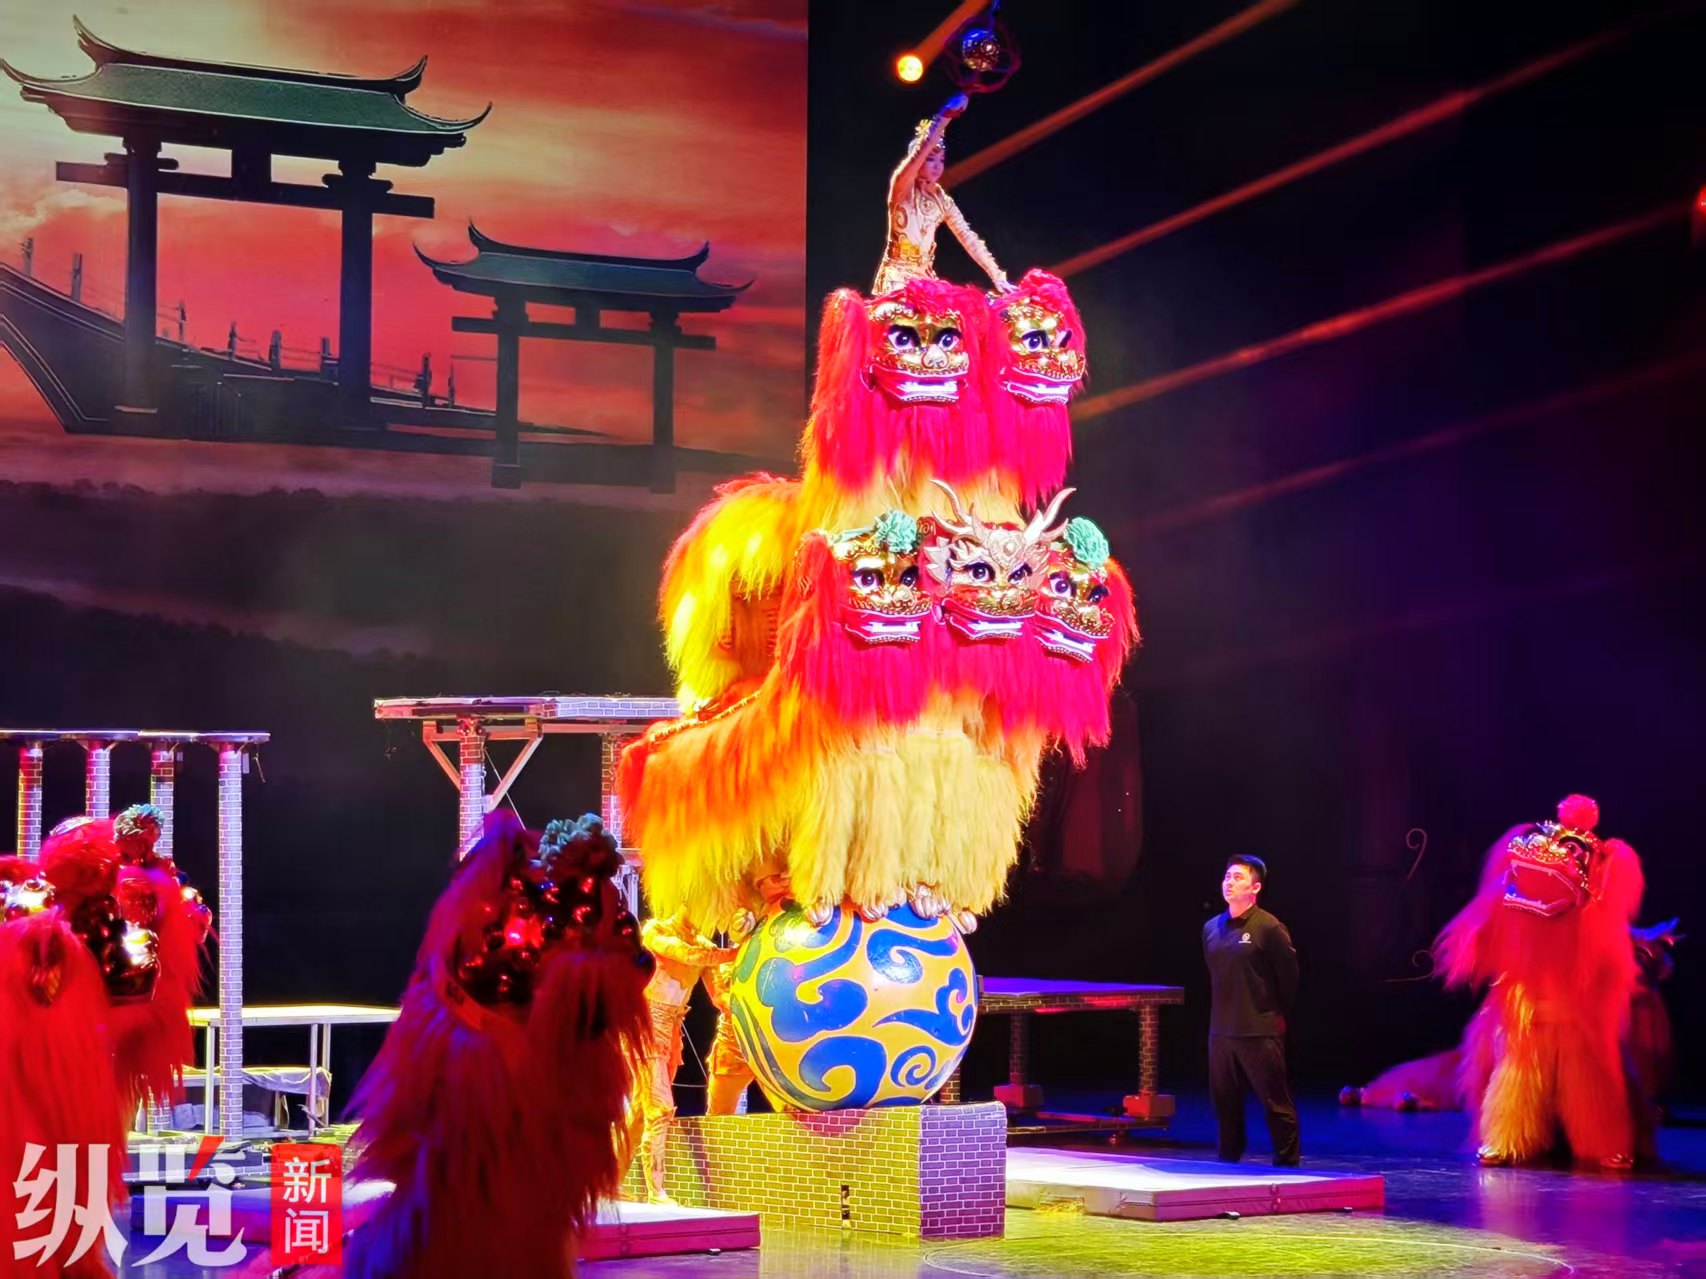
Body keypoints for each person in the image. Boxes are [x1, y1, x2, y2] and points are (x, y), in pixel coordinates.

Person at [1203, 854, 1300, 1165]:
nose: (1229, 883)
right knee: (1225, 1103)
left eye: (1238, 878)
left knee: (1275, 1102)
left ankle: (1287, 1165)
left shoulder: (1268, 926)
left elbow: (1289, 976)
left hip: (1259, 1029)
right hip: (1222, 1031)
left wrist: (1270, 1012)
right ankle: (1228, 1161)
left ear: (1255, 888)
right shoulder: (1211, 928)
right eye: (1227, 877)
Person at [874, 93, 1014, 296]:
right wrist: (944, 116)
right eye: (931, 159)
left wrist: (997, 275)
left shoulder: (942, 201)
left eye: (941, 160)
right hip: (897, 281)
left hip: (925, 280)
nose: (937, 166)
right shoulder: (902, 188)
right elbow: (920, 151)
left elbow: (967, 237)